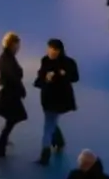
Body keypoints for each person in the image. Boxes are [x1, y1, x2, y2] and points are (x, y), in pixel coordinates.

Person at [34, 38, 79, 166]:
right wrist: (45, 78)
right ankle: (59, 142)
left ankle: (45, 154)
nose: (51, 52)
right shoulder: (45, 60)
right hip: (47, 97)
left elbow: (75, 77)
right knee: (51, 122)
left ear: (60, 51)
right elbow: (41, 75)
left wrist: (63, 75)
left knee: (48, 125)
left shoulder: (68, 63)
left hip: (59, 99)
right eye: (50, 48)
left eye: (54, 50)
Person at [0, 32, 27, 158]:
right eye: (17, 45)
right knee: (13, 119)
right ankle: (1, 145)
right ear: (13, 45)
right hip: (11, 94)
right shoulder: (8, 58)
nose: (19, 48)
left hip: (10, 92)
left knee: (11, 119)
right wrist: (21, 89)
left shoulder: (6, 57)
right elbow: (13, 77)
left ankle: (2, 143)